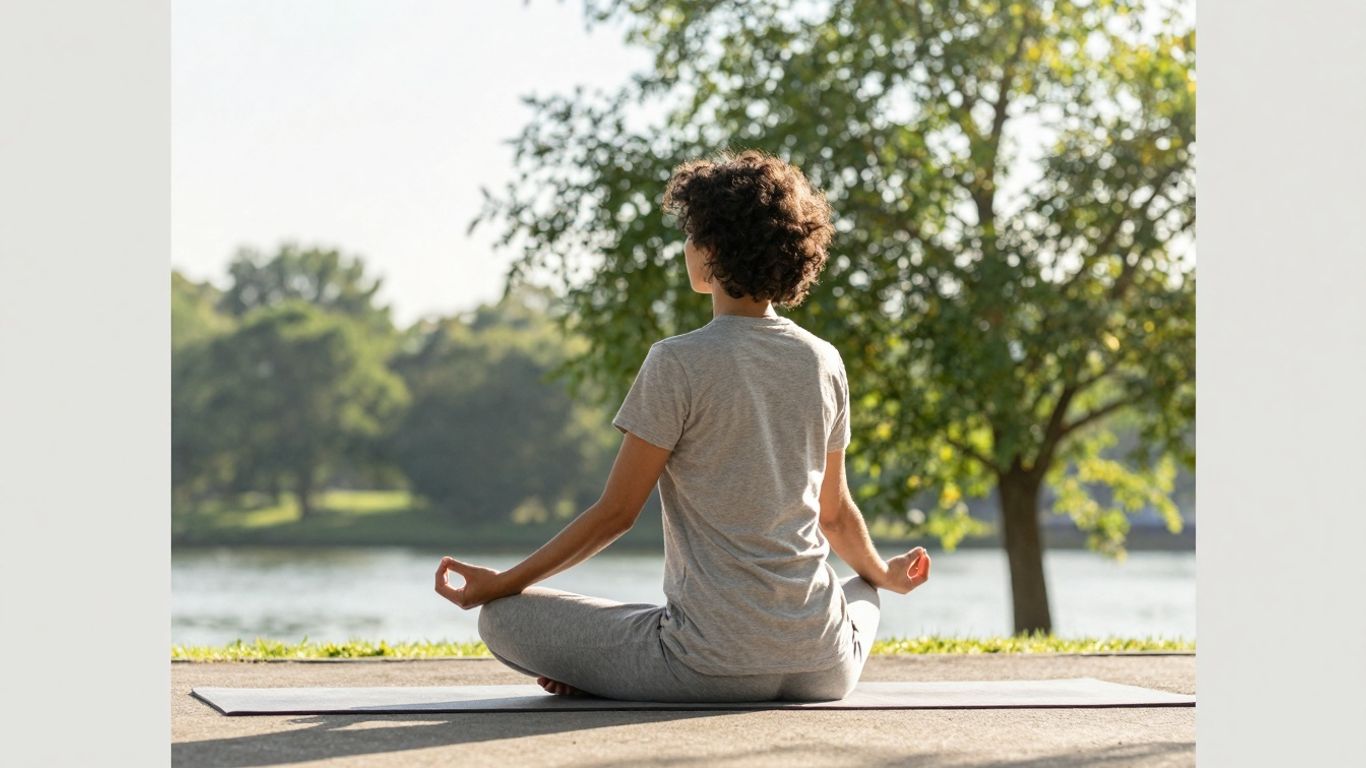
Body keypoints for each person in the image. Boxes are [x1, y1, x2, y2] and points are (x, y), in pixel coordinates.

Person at [434, 149, 931, 702]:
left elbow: (615, 516)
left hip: (703, 669)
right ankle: (624, 660)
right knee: (862, 586)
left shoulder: (677, 362)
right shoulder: (823, 360)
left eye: (692, 234)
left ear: (712, 250)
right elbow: (835, 514)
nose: (686, 247)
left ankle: (611, 668)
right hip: (824, 666)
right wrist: (883, 573)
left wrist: (500, 584)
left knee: (501, 620)